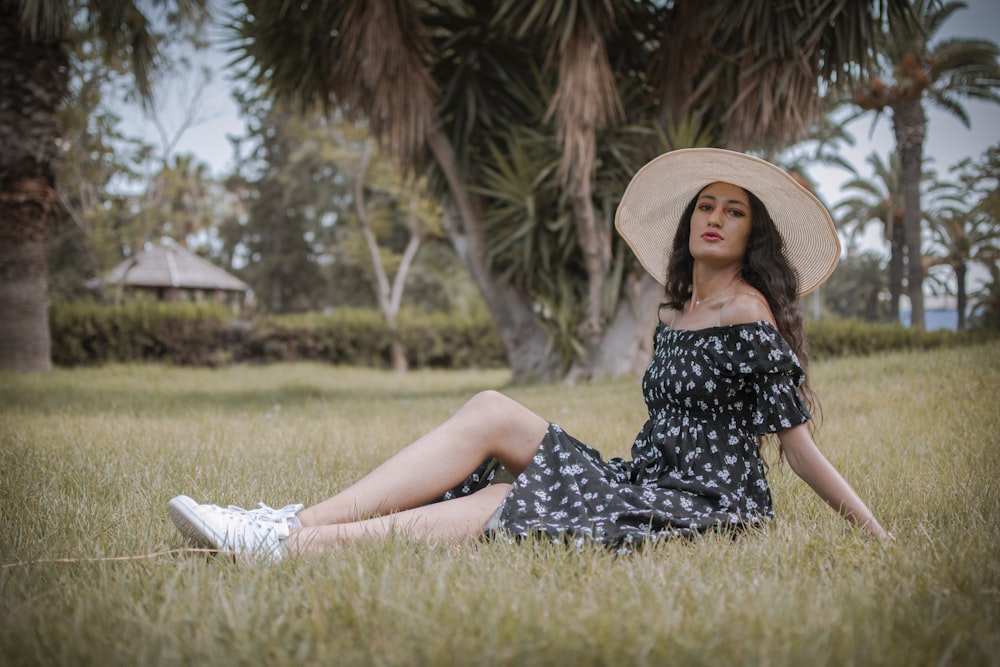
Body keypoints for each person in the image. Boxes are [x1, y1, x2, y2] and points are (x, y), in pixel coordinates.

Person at [168, 148, 893, 562]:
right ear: (689, 221)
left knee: (506, 499)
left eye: (734, 211)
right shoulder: (678, 312)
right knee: (490, 409)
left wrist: (877, 532)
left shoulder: (748, 313)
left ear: (751, 235)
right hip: (640, 478)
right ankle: (289, 522)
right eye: (707, 205)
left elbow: (796, 450)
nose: (715, 218)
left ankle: (286, 548)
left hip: (702, 506)